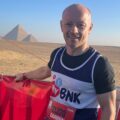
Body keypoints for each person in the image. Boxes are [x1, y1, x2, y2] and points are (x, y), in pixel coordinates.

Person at [15, 3, 116, 120]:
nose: (74, 30)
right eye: (68, 24)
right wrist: (24, 75)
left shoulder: (99, 65)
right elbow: (46, 71)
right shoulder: (57, 54)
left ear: (90, 28)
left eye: (81, 25)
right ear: (61, 26)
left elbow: (108, 109)